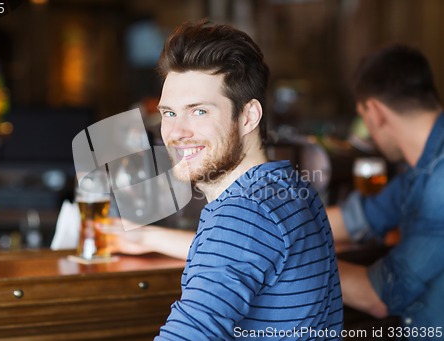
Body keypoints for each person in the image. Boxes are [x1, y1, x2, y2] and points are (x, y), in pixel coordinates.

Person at [115, 21, 343, 340]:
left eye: (199, 112)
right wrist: (144, 238)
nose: (177, 132)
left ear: (248, 116)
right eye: (169, 113)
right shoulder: (288, 187)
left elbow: (190, 334)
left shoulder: (242, 214)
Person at [326, 44, 444, 337]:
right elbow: (358, 218)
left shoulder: (440, 180)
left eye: (361, 114)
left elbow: (380, 295)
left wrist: (282, 258)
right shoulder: (421, 170)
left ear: (375, 112)